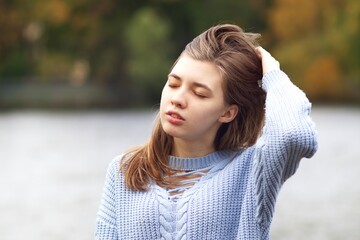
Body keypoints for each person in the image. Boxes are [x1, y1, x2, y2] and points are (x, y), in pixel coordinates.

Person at [95, 24, 318, 240]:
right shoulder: (124, 170)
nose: (177, 99)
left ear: (228, 113)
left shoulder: (252, 172)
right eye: (173, 84)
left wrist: (273, 75)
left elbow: (293, 135)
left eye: (199, 93)